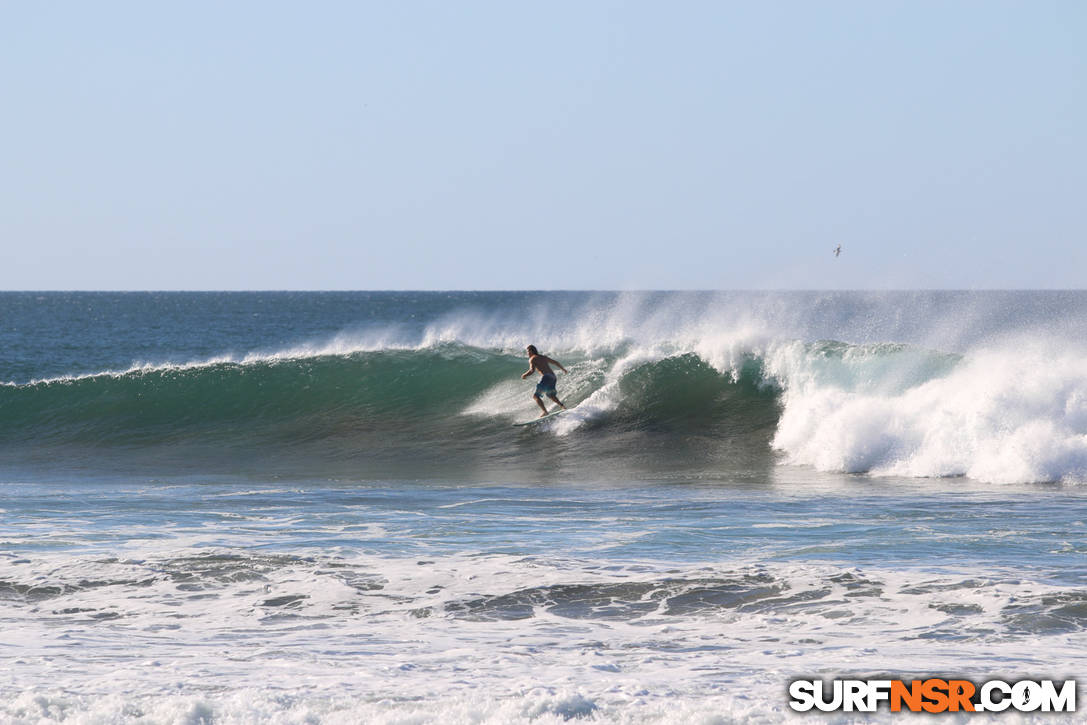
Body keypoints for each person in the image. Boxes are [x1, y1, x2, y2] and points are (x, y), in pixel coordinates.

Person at [521, 344, 568, 417]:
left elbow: (532, 370)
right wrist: (563, 369)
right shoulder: (543, 357)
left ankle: (545, 411)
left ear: (531, 351)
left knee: (536, 396)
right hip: (553, 377)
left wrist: (524, 375)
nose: (527, 353)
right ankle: (563, 407)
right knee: (550, 395)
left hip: (546, 377)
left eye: (528, 351)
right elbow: (555, 362)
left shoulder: (532, 359)